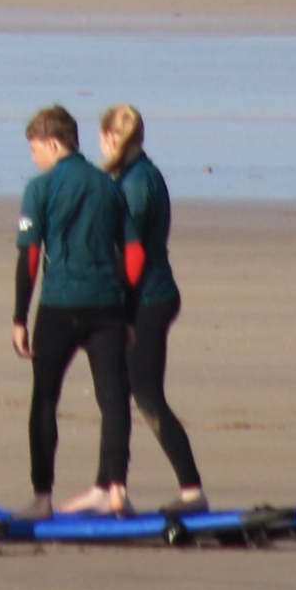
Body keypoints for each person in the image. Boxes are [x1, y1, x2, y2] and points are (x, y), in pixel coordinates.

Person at [11, 101, 131, 515]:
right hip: (107, 306)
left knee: (45, 398)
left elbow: (30, 257)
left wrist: (19, 317)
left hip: (59, 305)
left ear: (52, 143)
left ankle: (42, 496)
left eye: (34, 149)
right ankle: (116, 489)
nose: (33, 158)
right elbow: (132, 254)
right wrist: (129, 312)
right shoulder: (109, 186)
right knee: (113, 400)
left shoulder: (39, 188)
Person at [101, 100, 205, 509]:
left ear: (112, 137)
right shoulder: (132, 176)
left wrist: (117, 304)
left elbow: (132, 253)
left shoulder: (138, 182)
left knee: (146, 396)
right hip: (143, 295)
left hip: (148, 298)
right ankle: (111, 489)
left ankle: (192, 490)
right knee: (117, 395)